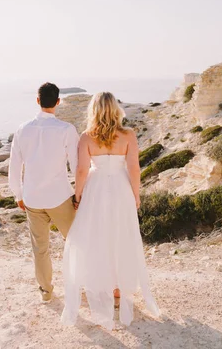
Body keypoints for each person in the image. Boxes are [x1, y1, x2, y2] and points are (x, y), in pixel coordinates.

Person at [61, 92, 160, 329]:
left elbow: (82, 170)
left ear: (93, 111)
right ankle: (117, 290)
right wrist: (136, 195)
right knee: (120, 236)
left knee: (96, 238)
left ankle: (99, 285)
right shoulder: (128, 135)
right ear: (115, 109)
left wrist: (78, 195)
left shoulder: (86, 137)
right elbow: (134, 168)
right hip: (120, 189)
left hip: (95, 190)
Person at [8, 82, 80, 303]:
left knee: (40, 249)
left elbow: (14, 165)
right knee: (77, 242)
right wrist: (79, 194)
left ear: (37, 101)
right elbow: (77, 166)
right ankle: (81, 284)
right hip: (60, 197)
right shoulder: (67, 130)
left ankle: (46, 292)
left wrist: (18, 195)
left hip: (33, 199)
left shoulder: (22, 129)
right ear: (58, 102)